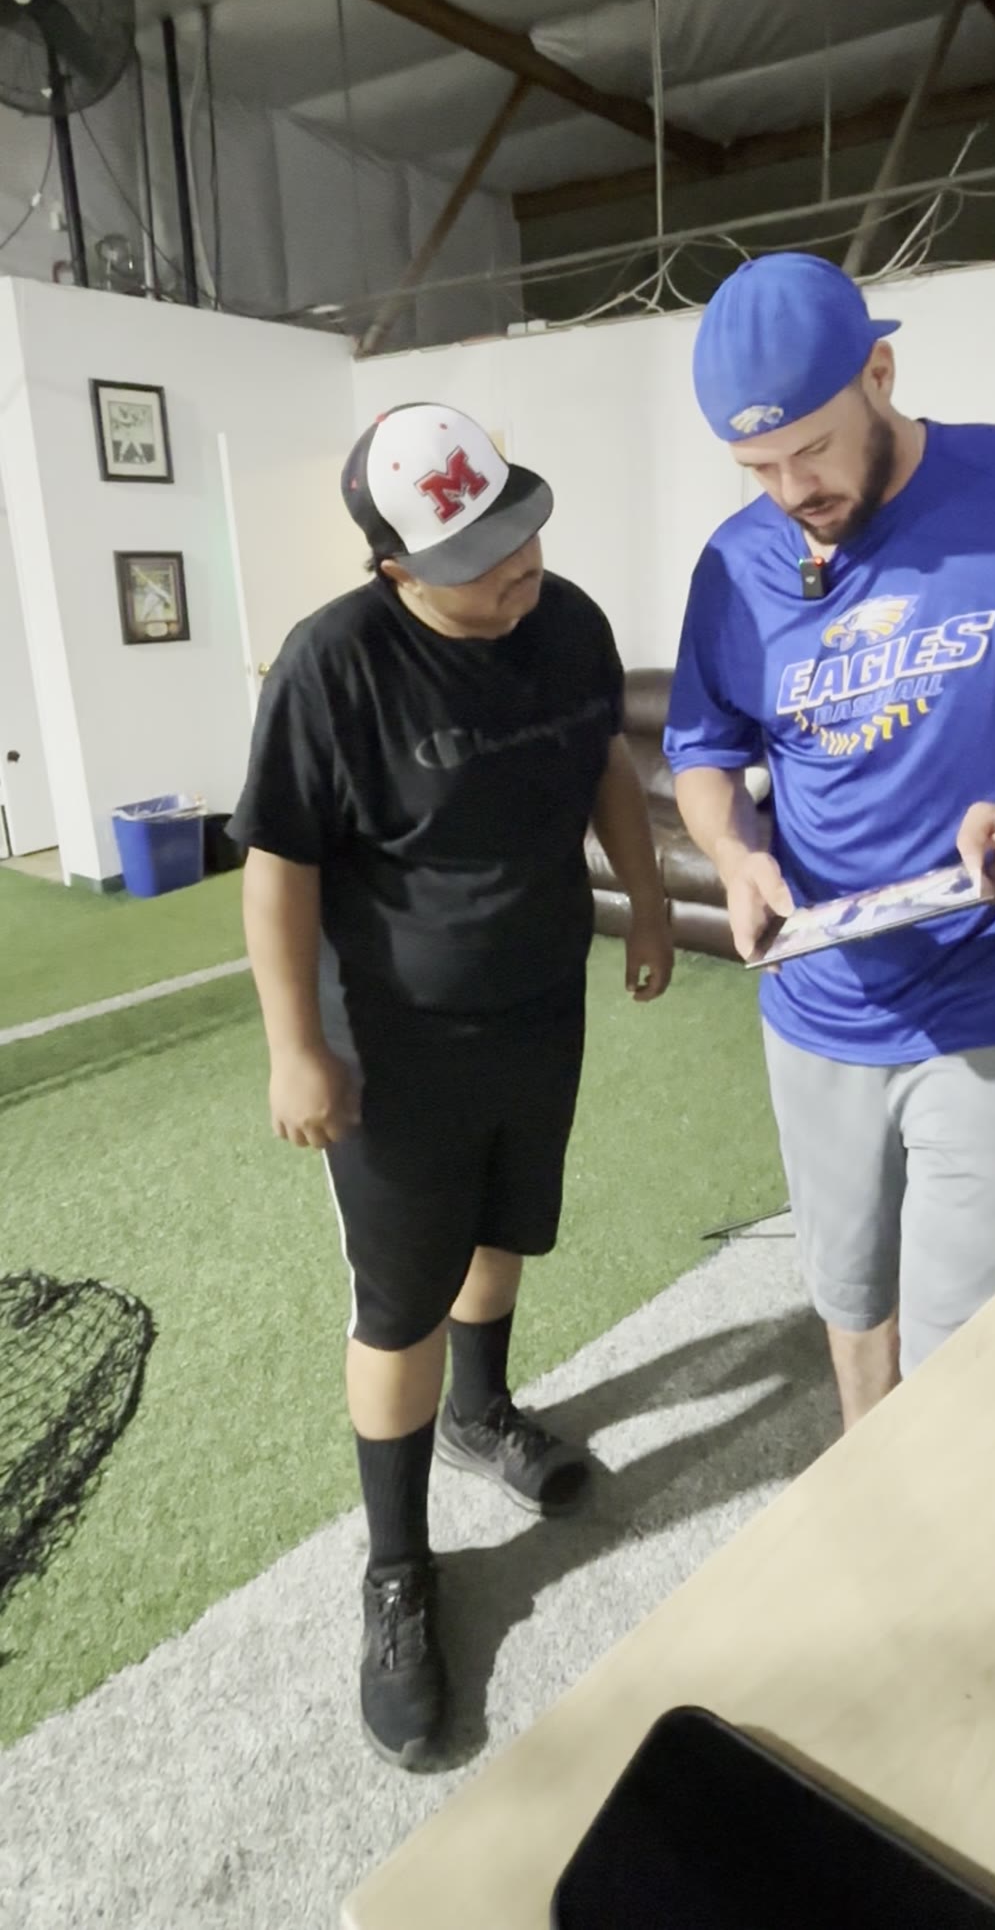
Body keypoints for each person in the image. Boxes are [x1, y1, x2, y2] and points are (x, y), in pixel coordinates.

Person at [666, 252, 995, 1431]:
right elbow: (702, 751)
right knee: (852, 1304)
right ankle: (881, 1511)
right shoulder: (734, 563)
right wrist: (734, 852)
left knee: (976, 1359)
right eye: (755, 466)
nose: (787, 488)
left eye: (809, 448)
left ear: (879, 369)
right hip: (813, 1002)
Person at [230, 402, 672, 1770]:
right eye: (479, 552)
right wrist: (293, 1042)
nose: (518, 564)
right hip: (393, 1039)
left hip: (539, 999)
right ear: (396, 569)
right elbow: (281, 864)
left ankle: (483, 1410)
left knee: (505, 1226)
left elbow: (603, 759)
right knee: (403, 1288)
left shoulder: (572, 622)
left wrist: (646, 897)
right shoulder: (332, 665)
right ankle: (398, 1568)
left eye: (522, 527)